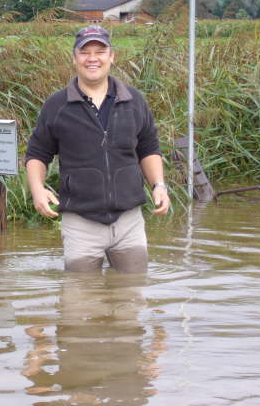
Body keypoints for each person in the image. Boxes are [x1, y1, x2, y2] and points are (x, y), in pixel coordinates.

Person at [25, 25, 169, 273]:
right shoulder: (57, 105)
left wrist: (159, 185)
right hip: (80, 224)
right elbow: (37, 154)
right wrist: (37, 189)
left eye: (100, 51)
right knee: (79, 302)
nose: (93, 58)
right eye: (85, 52)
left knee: (130, 300)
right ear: (74, 58)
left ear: (111, 57)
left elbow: (149, 147)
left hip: (129, 222)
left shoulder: (134, 100)